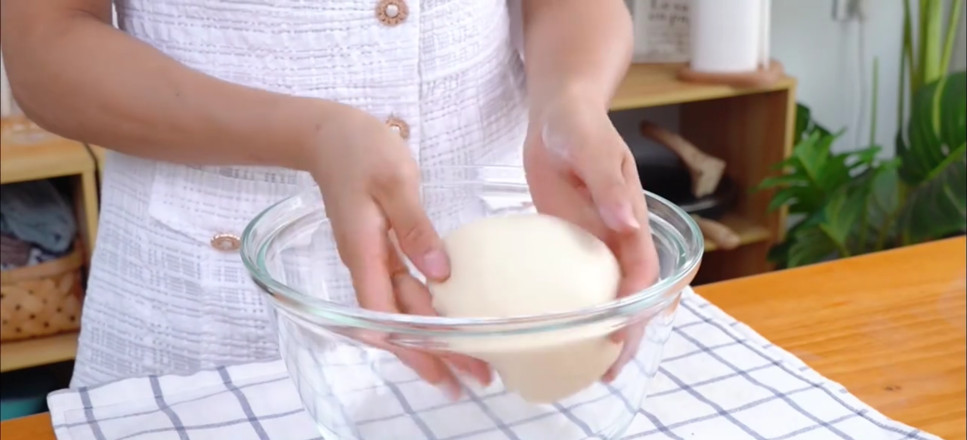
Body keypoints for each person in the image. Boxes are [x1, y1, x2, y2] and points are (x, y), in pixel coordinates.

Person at [0, 0, 660, 392]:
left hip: (500, 289)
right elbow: (45, 46)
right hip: (206, 311)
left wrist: (569, 98)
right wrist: (311, 135)